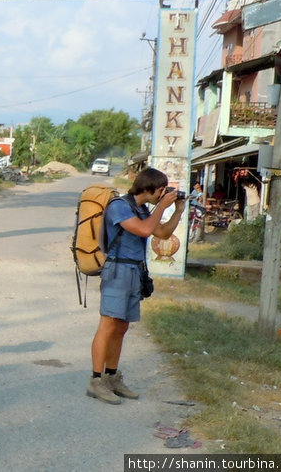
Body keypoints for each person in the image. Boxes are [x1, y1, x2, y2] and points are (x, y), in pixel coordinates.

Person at [87, 167, 185, 405]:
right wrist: (162, 206)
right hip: (118, 269)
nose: (163, 194)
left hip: (134, 270)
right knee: (108, 324)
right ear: (148, 187)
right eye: (161, 190)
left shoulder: (142, 209)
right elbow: (143, 230)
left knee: (121, 327)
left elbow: (161, 233)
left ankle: (112, 376)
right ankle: (96, 380)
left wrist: (178, 212)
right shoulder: (119, 206)